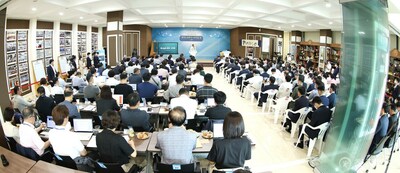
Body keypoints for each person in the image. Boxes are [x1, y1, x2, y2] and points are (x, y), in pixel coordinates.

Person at [48, 105, 92, 171]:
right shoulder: (72, 135)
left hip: (61, 163)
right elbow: (84, 153)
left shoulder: (51, 132)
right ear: (66, 119)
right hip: (77, 165)